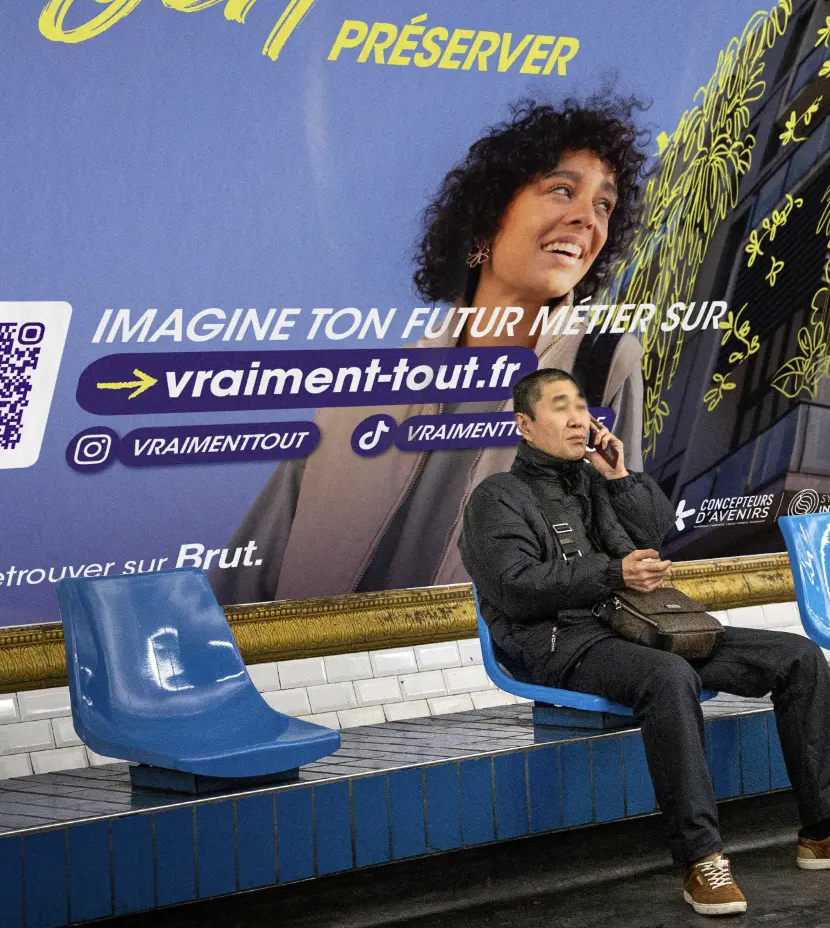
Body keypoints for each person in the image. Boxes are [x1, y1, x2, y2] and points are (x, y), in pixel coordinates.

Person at [460, 366, 830, 917]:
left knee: (796, 657)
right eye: (561, 406)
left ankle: (826, 829)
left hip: (634, 626)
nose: (578, 417)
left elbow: (653, 533)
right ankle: (701, 857)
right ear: (525, 426)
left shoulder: (591, 481)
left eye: (582, 405)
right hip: (558, 643)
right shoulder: (498, 497)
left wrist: (620, 476)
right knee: (671, 677)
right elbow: (513, 590)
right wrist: (612, 576)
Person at [213, 94, 649, 605]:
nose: (587, 220)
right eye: (560, 190)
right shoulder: (367, 386)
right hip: (324, 672)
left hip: (484, 675)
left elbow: (626, 548)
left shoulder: (602, 365)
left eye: (604, 204)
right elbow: (246, 577)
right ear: (488, 218)